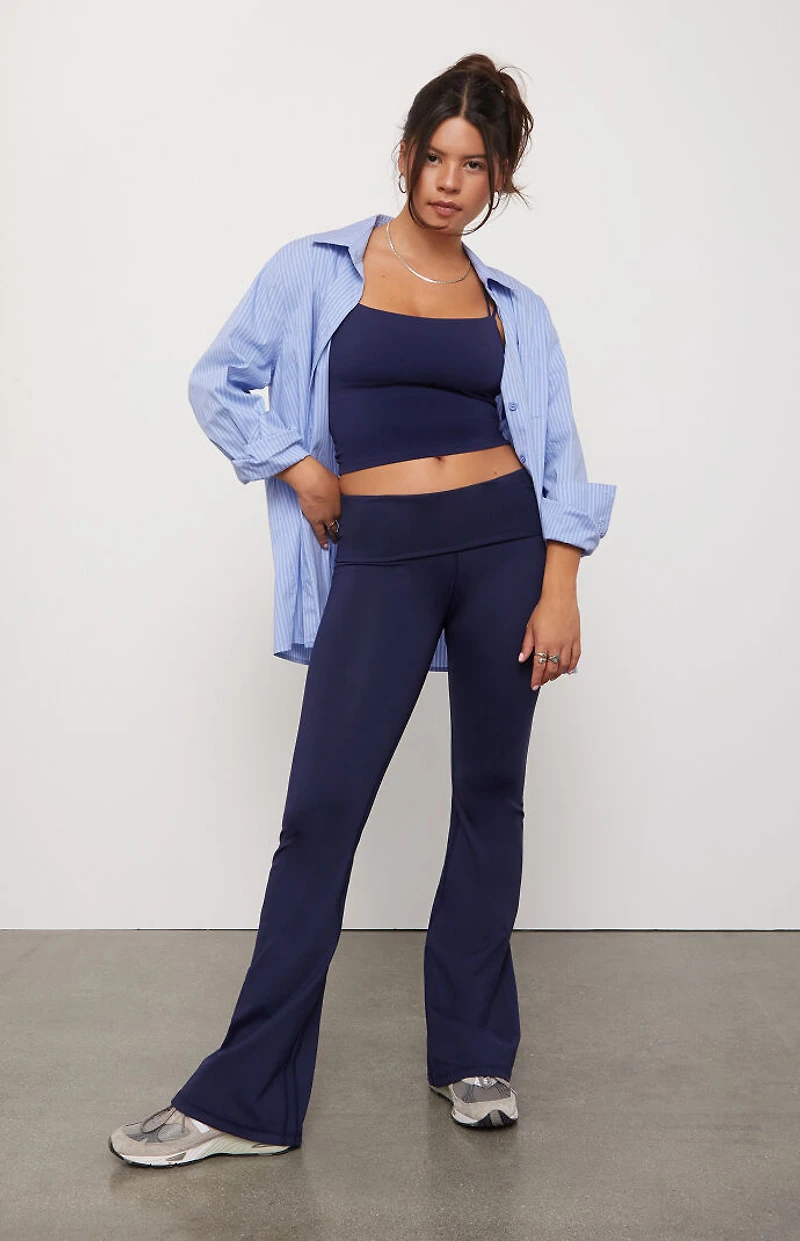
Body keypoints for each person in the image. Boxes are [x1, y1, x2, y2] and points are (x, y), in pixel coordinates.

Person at [108, 51, 617, 1168]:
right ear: (404, 155)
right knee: (321, 813)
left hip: (502, 550)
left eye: (473, 165)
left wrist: (561, 582)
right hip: (381, 558)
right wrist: (295, 463)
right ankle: (245, 1098)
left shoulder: (513, 307)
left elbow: (558, 452)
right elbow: (217, 379)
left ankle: (473, 1052)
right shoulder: (318, 269)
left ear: (498, 180)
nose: (449, 182)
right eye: (435, 157)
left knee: (489, 797)